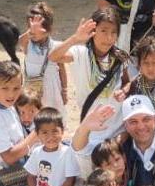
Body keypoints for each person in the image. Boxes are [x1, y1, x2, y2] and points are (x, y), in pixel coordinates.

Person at [53, 10, 131, 151]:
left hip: (117, 127)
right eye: (103, 31)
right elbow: (54, 57)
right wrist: (75, 38)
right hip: (91, 128)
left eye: (114, 32)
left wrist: (124, 90)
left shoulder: (119, 56)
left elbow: (127, 81)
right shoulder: (80, 53)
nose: (108, 37)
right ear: (93, 31)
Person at [19, 2, 67, 112]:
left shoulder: (55, 46)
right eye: (30, 27)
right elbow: (20, 42)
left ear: (48, 30)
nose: (34, 32)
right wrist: (30, 32)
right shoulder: (28, 44)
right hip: (31, 90)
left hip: (51, 91)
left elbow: (62, 69)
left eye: (38, 28)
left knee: (51, 116)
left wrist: (64, 91)